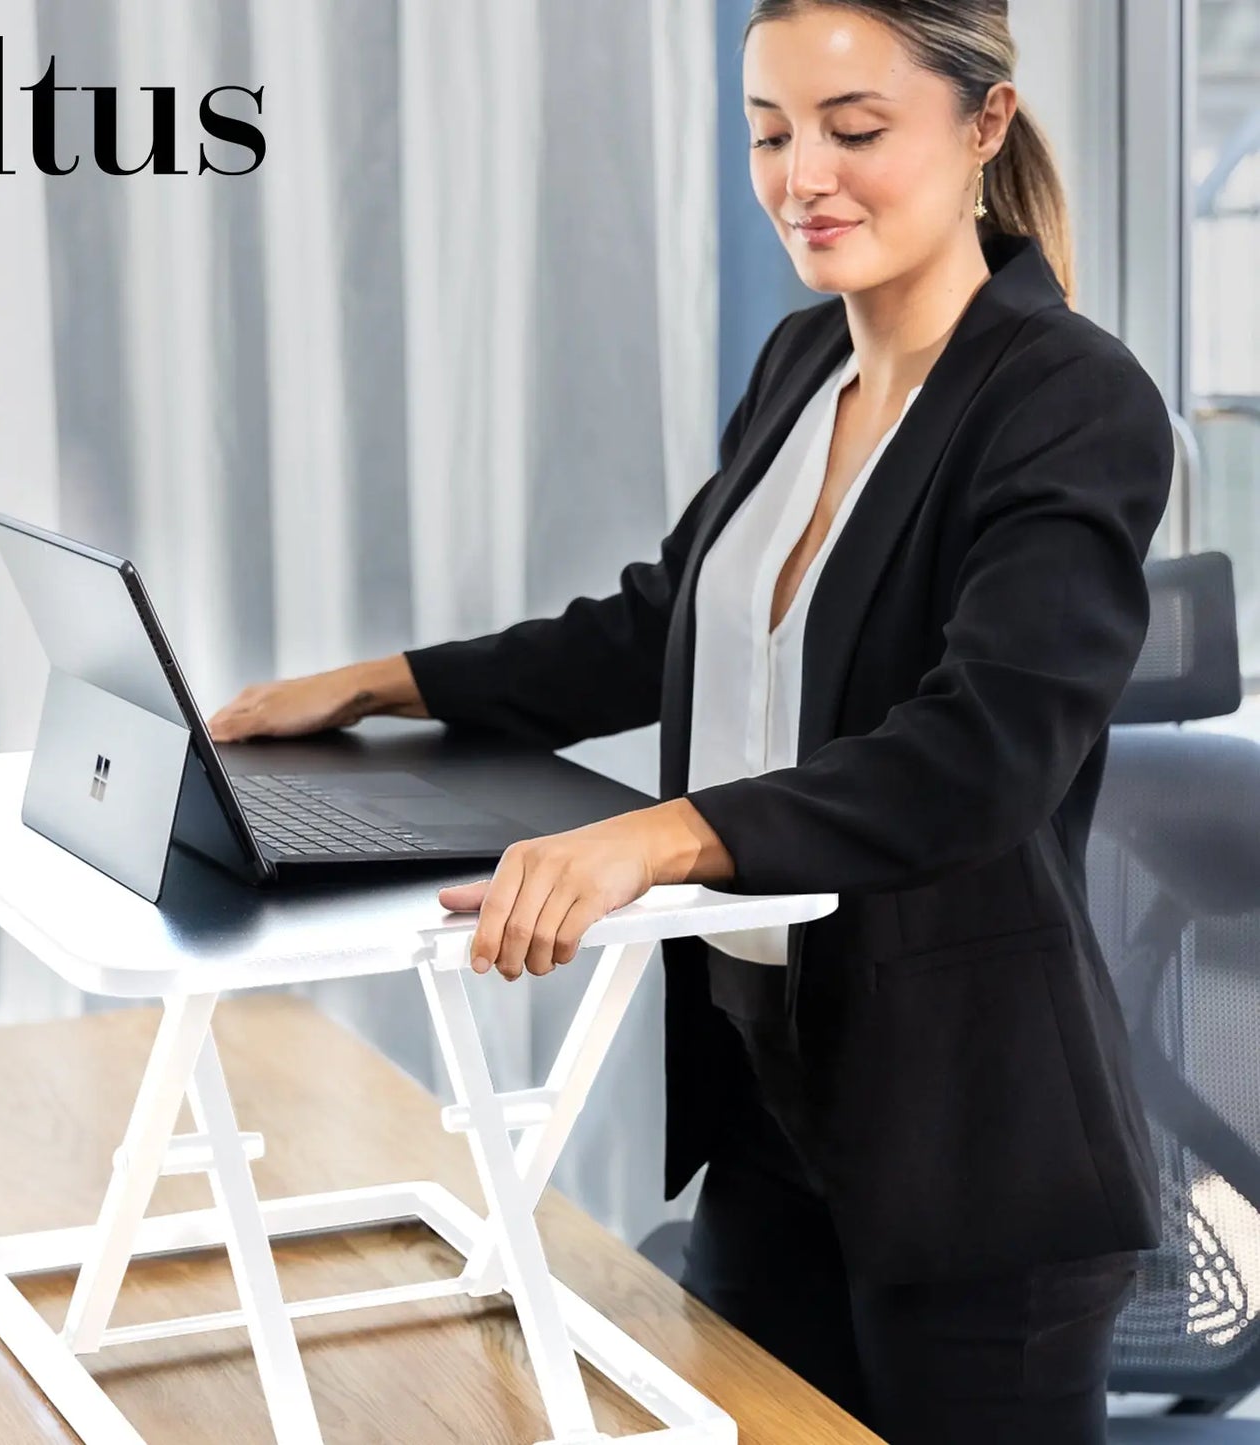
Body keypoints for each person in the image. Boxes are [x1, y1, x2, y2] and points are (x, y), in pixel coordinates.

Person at [209, 2, 1173, 1440]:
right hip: (772, 1110)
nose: (803, 177)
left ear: (981, 128)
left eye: (853, 132)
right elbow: (667, 624)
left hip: (972, 1155)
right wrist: (383, 681)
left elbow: (978, 753)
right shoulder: (804, 366)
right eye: (769, 135)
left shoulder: (1068, 402)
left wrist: (658, 837)